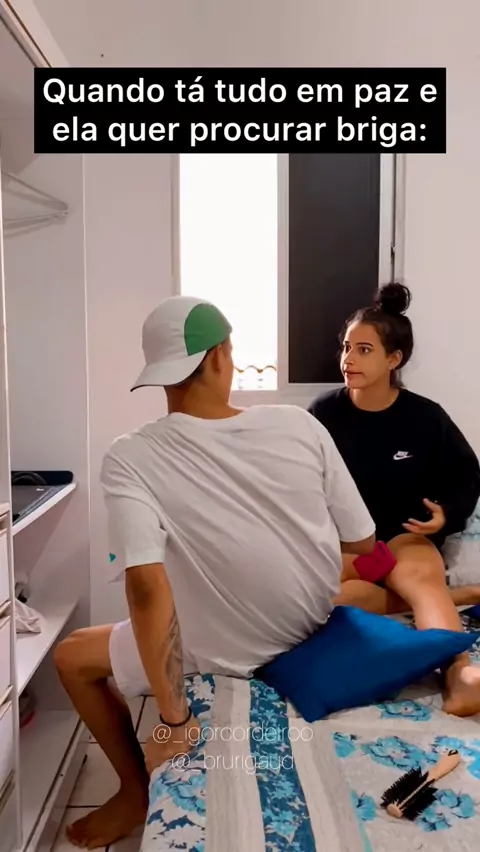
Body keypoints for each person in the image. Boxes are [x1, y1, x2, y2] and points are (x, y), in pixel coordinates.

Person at [54, 295, 376, 849]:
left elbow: (145, 586)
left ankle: (133, 792)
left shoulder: (131, 455)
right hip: (310, 628)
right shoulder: (299, 424)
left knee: (71, 656)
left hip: (222, 648)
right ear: (221, 356)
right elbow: (363, 542)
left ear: (158, 373)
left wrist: (174, 722)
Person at [309, 282, 480, 718]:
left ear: (394, 359)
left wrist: (446, 515)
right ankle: (459, 594)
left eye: (364, 350)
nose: (348, 359)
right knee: (323, 602)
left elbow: (467, 474)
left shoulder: (425, 417)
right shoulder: (322, 414)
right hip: (348, 546)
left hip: (404, 538)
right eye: (347, 347)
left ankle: (459, 675)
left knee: (422, 581)